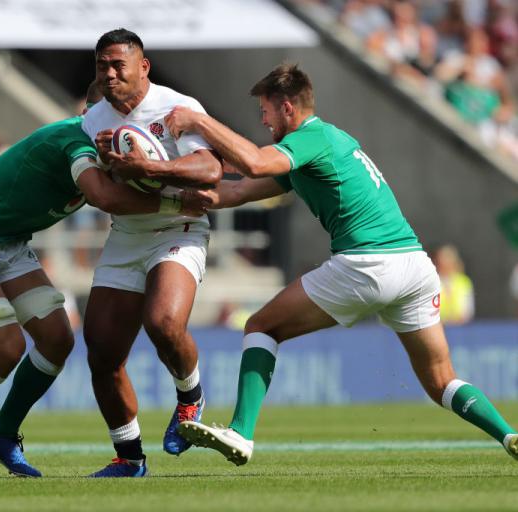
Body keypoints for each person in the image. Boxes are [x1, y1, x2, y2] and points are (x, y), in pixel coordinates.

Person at [163, 63, 518, 466]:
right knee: (441, 380)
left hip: (369, 262)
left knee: (261, 326)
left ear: (287, 108)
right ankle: (509, 435)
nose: (262, 120)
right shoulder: (318, 147)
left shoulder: (310, 137)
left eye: (265, 111)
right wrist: (167, 185)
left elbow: (255, 164)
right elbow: (240, 189)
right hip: (415, 267)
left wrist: (199, 120)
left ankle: (241, 433)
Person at [0, 80, 209, 479]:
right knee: (6, 346)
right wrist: (176, 201)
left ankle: (3, 435)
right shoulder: (75, 141)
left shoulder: (116, 151)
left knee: (57, 339)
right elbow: (104, 198)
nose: (108, 127)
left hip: (7, 243)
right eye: (101, 118)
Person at [80, 28, 222, 478]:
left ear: (144, 67)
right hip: (127, 234)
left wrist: (151, 167)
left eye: (118, 64)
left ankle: (190, 398)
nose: (109, 73)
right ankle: (129, 457)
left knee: (162, 321)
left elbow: (210, 169)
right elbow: (100, 190)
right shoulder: (91, 119)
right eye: (102, 65)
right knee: (101, 350)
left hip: (178, 227)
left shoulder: (177, 108)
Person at [432, 245, 475, 324]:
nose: (444, 263)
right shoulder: (431, 282)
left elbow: (467, 312)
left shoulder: (464, 281)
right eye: (441, 260)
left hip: (460, 328)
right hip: (438, 326)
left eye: (448, 259)